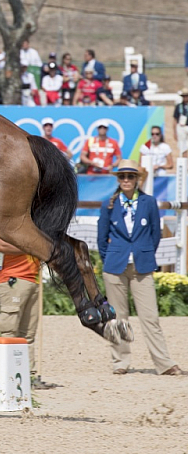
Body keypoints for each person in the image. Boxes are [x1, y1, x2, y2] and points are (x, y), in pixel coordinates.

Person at [98, 159, 182, 376]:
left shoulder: (149, 202)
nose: (126, 180)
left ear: (137, 179)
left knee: (150, 317)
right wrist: (112, 257)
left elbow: (156, 234)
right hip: (115, 265)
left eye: (130, 176)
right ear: (118, 179)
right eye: (122, 176)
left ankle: (163, 362)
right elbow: (101, 238)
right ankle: (120, 361)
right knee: (118, 318)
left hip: (142, 266)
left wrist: (143, 253)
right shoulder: (108, 203)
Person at [0, 237, 44, 382]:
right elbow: (2, 245)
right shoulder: (4, 219)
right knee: (9, 330)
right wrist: (33, 246)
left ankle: (29, 376)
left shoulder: (33, 222)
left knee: (28, 334)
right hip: (13, 278)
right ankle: (5, 375)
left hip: (33, 279)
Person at [173, 89, 188, 158]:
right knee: (181, 144)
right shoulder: (179, 106)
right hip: (181, 126)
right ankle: (182, 160)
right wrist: (174, 132)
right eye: (184, 96)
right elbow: (175, 119)